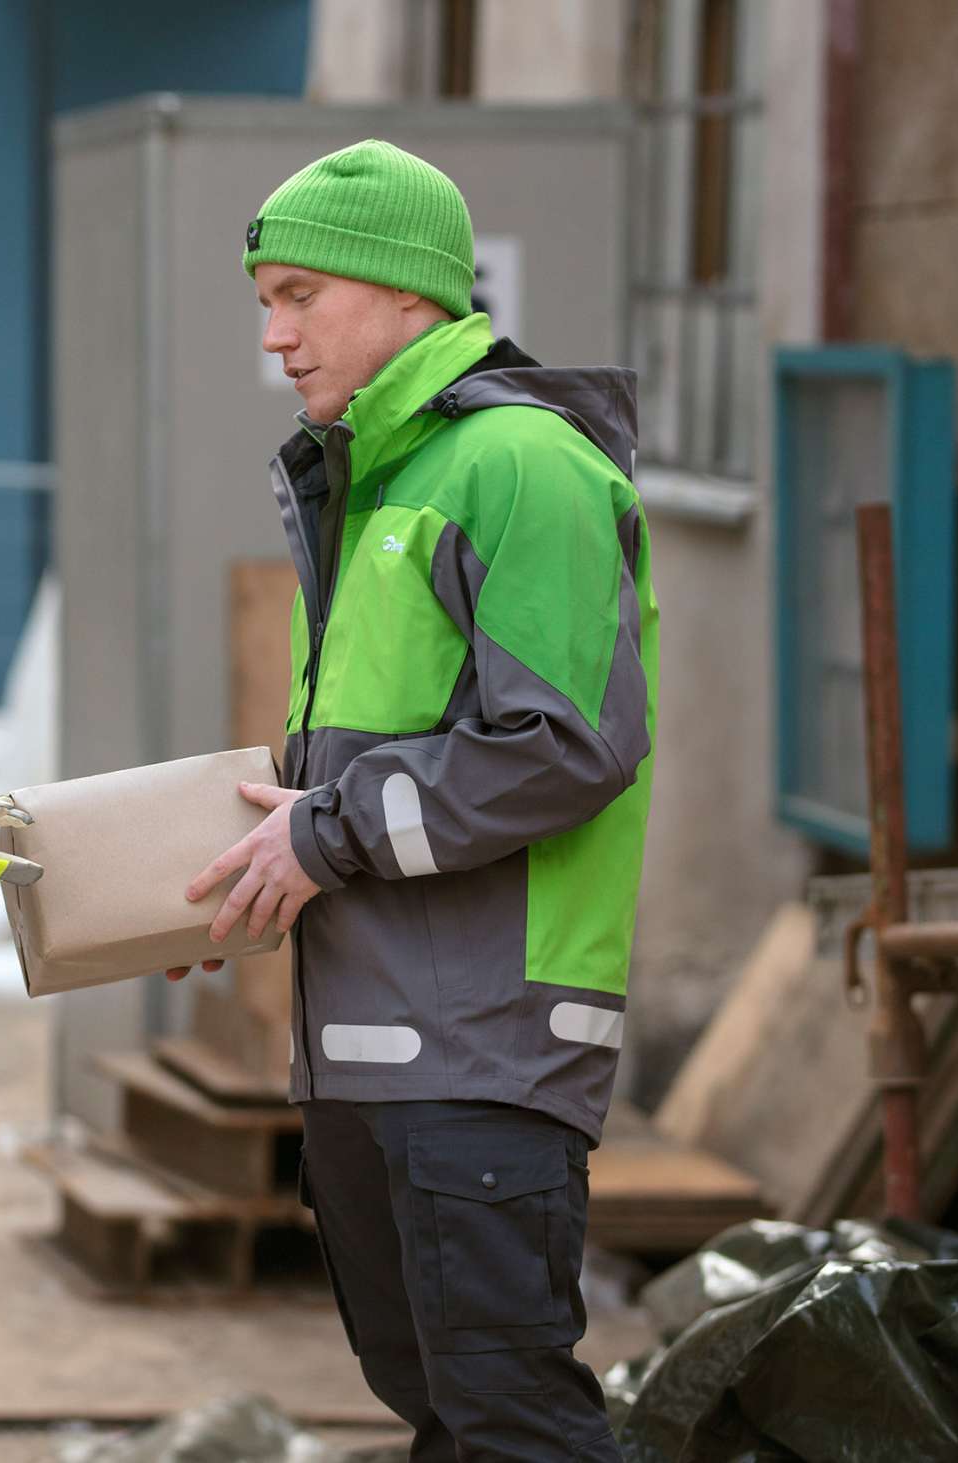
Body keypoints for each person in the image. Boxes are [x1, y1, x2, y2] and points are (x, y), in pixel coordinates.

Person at [179, 140, 658, 1460]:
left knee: (511, 1423)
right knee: (445, 1413)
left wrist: (320, 832)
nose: (275, 335)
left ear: (406, 294)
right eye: (264, 303)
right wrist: (243, 849)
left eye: (298, 296)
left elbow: (564, 744)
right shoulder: (378, 482)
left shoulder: (518, 466)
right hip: (376, 1048)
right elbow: (375, 771)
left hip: (484, 1049)